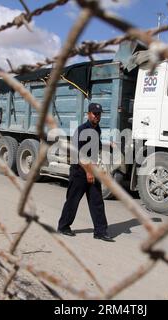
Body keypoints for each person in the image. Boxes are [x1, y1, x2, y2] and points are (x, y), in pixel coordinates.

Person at [57, 102, 115, 242]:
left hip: (92, 169)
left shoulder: (97, 130)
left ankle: (100, 231)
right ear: (88, 114)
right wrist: (88, 172)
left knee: (97, 201)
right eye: (95, 114)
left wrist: (108, 146)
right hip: (79, 171)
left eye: (99, 114)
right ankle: (63, 226)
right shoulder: (81, 130)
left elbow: (95, 148)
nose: (97, 116)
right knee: (73, 200)